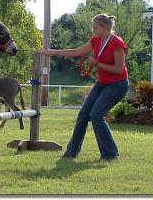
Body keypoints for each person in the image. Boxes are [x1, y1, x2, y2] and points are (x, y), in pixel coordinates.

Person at [43, 14, 129, 161]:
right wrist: (54, 52)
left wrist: (97, 64)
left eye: (96, 27)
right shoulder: (96, 41)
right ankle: (71, 152)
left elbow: (118, 70)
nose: (93, 30)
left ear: (106, 27)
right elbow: (77, 52)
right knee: (83, 115)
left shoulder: (117, 43)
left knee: (96, 115)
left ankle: (110, 154)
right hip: (102, 83)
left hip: (117, 84)